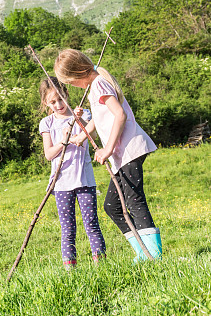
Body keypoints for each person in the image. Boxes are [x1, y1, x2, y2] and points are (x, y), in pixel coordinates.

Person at [54, 49, 162, 262]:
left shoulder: (99, 85)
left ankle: (154, 256)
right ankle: (142, 251)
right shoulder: (96, 86)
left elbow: (119, 115)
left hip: (129, 149)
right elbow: (101, 118)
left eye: (69, 81)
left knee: (134, 200)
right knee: (112, 206)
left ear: (76, 74)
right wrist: (81, 137)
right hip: (121, 155)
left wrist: (108, 149)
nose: (71, 86)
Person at [39, 76, 106, 269]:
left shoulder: (82, 114)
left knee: (91, 224)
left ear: (67, 93)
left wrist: (80, 120)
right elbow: (49, 154)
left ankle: (101, 266)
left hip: (84, 180)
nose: (58, 104)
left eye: (60, 98)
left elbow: (92, 136)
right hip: (61, 184)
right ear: (46, 103)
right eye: (52, 102)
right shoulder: (47, 123)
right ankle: (70, 269)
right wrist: (64, 140)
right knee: (67, 228)